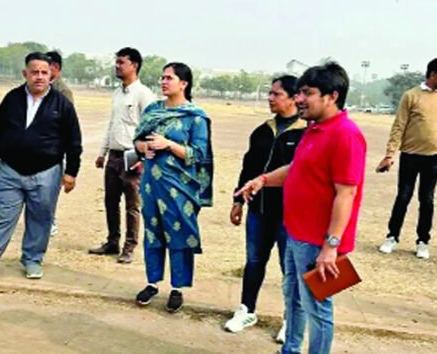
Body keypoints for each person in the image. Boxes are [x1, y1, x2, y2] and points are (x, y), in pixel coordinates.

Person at [236, 62, 366, 353]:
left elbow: (346, 194)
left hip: (319, 242)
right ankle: (290, 349)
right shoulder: (313, 129)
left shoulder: (346, 134)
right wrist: (262, 180)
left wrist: (331, 246)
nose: (299, 99)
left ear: (331, 96)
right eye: (299, 93)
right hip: (296, 233)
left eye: (307, 93)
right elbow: (296, 168)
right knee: (293, 297)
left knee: (318, 308)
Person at [0, 52, 82, 283]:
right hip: (10, 170)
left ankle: (32, 259)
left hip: (46, 172)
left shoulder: (62, 104)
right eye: (34, 72)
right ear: (25, 74)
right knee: (2, 218)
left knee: (40, 219)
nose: (39, 77)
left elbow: (73, 141)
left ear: (51, 75)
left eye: (44, 72)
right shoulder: (12, 98)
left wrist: (71, 173)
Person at [224, 75, 305, 343]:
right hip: (258, 211)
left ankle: (290, 319)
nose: (270, 98)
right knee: (254, 261)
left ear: (294, 98)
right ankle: (247, 310)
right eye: (270, 93)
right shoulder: (261, 131)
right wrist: (237, 201)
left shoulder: (306, 134)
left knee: (288, 268)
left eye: (276, 94)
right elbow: (248, 168)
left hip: (290, 215)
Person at [133, 62, 213, 313]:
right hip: (151, 184)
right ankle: (152, 283)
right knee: (152, 232)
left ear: (184, 84)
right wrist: (144, 147)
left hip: (180, 187)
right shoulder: (153, 110)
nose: (163, 82)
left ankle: (178, 288)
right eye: (162, 78)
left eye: (169, 78)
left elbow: (198, 154)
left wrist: (169, 144)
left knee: (179, 234)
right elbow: (138, 141)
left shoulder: (195, 117)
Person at [89, 47, 155, 264]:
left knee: (132, 205)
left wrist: (143, 159)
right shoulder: (117, 93)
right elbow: (112, 124)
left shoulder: (144, 94)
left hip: (133, 155)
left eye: (121, 63)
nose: (117, 66)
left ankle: (129, 247)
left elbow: (152, 128)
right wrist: (102, 152)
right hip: (114, 155)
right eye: (116, 62)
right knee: (110, 201)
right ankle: (112, 242)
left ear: (134, 66)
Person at [377, 58, 437, 259]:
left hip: (434, 158)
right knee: (403, 196)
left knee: (427, 200)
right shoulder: (411, 96)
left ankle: (423, 241)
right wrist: (389, 154)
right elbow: (399, 126)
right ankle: (392, 237)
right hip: (410, 156)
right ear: (433, 74)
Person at [46, 50, 74, 237]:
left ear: (55, 68)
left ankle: (50, 220)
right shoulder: (40, 86)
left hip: (54, 146)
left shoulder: (63, 91)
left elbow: (67, 123)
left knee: (50, 186)